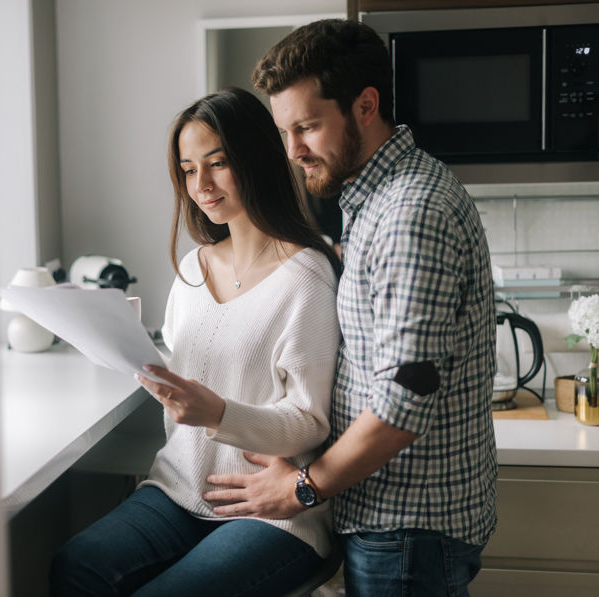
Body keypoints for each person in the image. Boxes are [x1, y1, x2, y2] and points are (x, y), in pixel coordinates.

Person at [203, 19, 498, 597]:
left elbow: (405, 400)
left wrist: (302, 489)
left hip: (408, 531)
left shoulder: (410, 213)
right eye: (285, 131)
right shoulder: (374, 200)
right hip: (396, 524)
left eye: (307, 127)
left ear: (366, 106)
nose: (292, 151)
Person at [49, 87, 341, 597]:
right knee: (77, 565)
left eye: (217, 162)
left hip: (270, 511)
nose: (200, 184)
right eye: (187, 170)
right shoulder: (191, 269)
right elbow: (192, 373)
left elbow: (311, 422)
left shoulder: (306, 277)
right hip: (179, 489)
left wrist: (219, 414)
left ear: (256, 159)